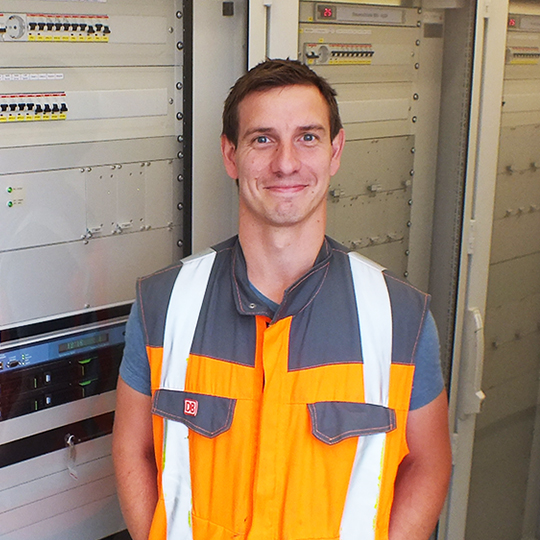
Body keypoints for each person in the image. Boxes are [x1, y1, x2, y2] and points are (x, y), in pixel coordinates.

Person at [112, 59, 452, 540]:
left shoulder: (400, 318)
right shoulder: (162, 305)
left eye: (308, 137)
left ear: (335, 151)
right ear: (231, 155)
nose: (286, 163)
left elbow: (428, 463)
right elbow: (133, 450)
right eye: (262, 139)